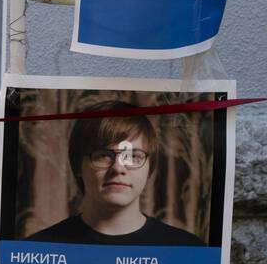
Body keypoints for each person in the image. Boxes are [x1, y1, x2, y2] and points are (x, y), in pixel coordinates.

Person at [26, 101, 203, 246]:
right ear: (78, 165)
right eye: (103, 155)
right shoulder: (38, 249)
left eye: (133, 156)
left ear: (150, 168)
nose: (118, 168)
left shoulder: (188, 250)